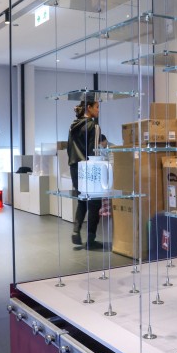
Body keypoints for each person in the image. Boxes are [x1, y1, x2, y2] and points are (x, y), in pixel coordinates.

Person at [67, 98, 107, 250]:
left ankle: (76, 230)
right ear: (89, 108)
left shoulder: (73, 125)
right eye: (97, 107)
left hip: (74, 166)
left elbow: (69, 148)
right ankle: (91, 239)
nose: (98, 110)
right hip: (89, 167)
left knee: (82, 199)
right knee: (95, 201)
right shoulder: (93, 126)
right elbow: (94, 151)